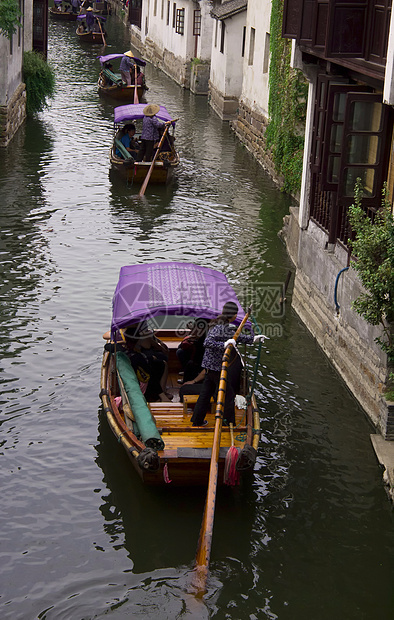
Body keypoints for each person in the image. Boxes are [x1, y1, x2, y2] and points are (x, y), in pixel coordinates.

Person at [190, 301, 266, 427]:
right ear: (234, 316)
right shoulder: (220, 328)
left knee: (205, 394)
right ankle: (228, 423)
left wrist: (254, 339)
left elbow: (237, 337)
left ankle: (197, 420)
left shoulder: (222, 326)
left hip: (210, 367)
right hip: (215, 368)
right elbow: (207, 342)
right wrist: (223, 345)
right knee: (228, 396)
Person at [176, 318, 208, 383]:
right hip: (198, 356)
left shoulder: (204, 339)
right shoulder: (201, 336)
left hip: (201, 361)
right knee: (181, 350)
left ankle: (188, 379)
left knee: (189, 362)